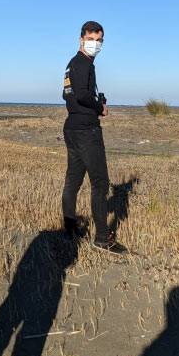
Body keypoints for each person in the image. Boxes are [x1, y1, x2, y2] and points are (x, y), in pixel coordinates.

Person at [61, 21, 128, 254]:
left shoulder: (71, 65)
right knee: (100, 183)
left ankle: (68, 229)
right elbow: (80, 95)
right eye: (91, 39)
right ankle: (102, 238)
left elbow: (66, 94)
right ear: (81, 39)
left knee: (73, 180)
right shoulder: (83, 64)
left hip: (71, 128)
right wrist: (100, 107)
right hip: (86, 130)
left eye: (99, 41)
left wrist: (94, 103)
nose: (95, 44)